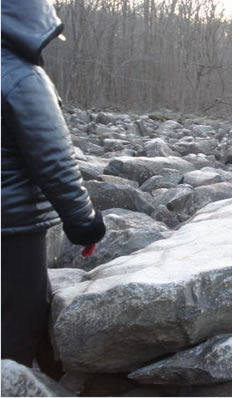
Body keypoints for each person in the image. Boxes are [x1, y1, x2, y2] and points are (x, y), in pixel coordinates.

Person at [1, 0, 106, 378]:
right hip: (11, 227)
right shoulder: (21, 77)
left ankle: (54, 377)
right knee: (18, 325)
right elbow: (55, 162)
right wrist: (85, 225)